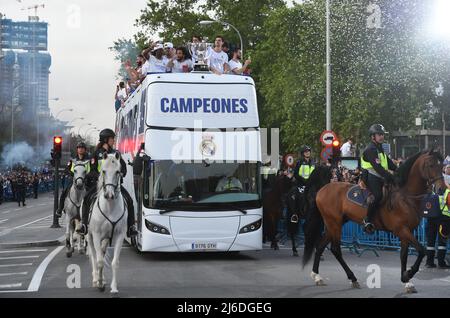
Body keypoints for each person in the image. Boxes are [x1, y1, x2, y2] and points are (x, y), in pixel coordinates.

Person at [77, 129, 138, 237]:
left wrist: (121, 174)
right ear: (106, 140)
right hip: (100, 184)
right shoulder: (96, 153)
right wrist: (101, 177)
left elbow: (123, 168)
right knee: (86, 199)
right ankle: (84, 225)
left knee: (129, 200)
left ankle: (131, 227)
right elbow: (92, 169)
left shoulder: (116, 153)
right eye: (112, 139)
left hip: (114, 185)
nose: (113, 141)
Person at [360, 124, 397, 234]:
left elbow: (390, 164)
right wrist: (391, 176)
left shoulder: (380, 148)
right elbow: (378, 168)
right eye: (379, 134)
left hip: (380, 177)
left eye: (383, 135)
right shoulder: (370, 149)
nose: (382, 137)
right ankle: (367, 220)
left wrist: (400, 170)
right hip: (370, 176)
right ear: (372, 137)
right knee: (378, 196)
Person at [56, 142, 90, 218]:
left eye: (82, 148)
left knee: (91, 193)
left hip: (86, 181)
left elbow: (91, 170)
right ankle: (60, 209)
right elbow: (67, 169)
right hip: (74, 181)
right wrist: (71, 173)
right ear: (77, 150)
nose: (80, 149)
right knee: (64, 192)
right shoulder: (73, 160)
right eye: (79, 148)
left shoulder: (89, 160)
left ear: (85, 150)